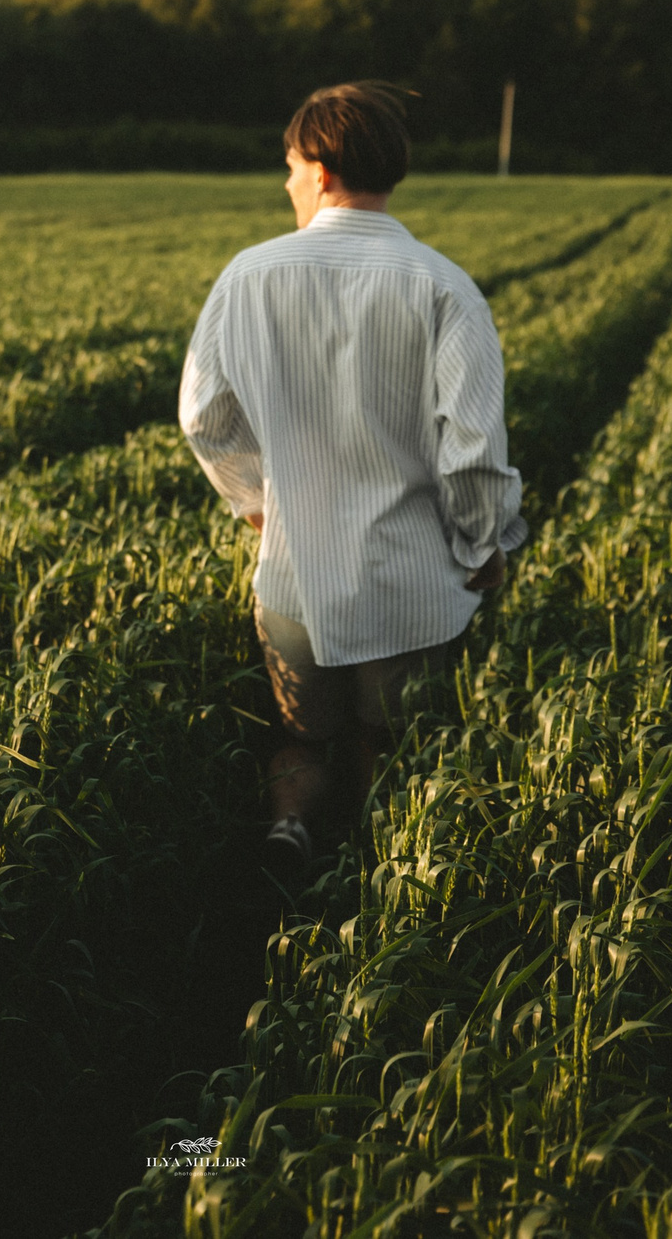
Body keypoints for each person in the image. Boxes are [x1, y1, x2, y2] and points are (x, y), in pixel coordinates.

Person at [178, 82, 525, 869]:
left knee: (303, 729)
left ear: (325, 168)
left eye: (293, 165)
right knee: (387, 733)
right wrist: (480, 545)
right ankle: (371, 878)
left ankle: (289, 833)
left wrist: (259, 504)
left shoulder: (248, 274)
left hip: (294, 575)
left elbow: (202, 414)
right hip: (412, 580)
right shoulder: (445, 286)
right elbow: (473, 447)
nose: (288, 180)